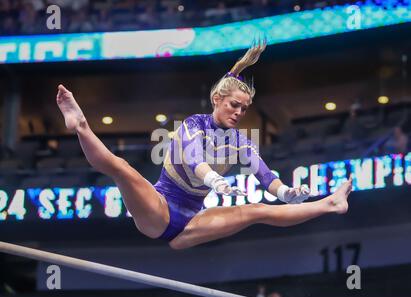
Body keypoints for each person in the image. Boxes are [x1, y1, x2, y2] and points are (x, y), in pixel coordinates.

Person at [55, 39, 352, 250]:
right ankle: (81, 126)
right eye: (234, 105)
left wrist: (288, 193)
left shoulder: (239, 142)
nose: (239, 113)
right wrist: (216, 181)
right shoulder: (192, 125)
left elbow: (265, 176)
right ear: (217, 100)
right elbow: (196, 161)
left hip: (194, 222)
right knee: (122, 168)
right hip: (160, 211)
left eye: (244, 109)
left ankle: (329, 204)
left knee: (258, 210)